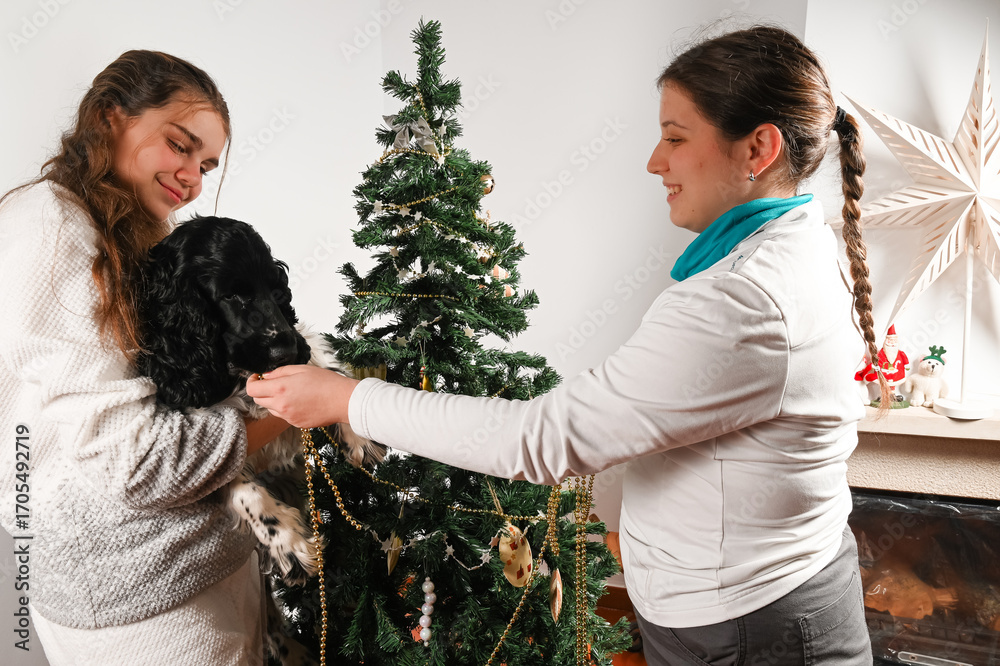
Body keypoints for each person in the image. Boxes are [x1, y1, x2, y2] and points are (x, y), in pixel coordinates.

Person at [248, 25, 889, 665]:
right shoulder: (782, 252)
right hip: (751, 609)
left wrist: (348, 399)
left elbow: (541, 440)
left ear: (759, 148)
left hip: (752, 631)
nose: (655, 161)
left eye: (675, 137)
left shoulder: (745, 300)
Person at [0, 50, 289, 665]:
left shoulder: (128, 232)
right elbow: (133, 464)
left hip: (195, 567)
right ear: (110, 117)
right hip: (143, 603)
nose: (192, 178)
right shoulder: (52, 228)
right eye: (179, 145)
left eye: (205, 166)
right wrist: (292, 406)